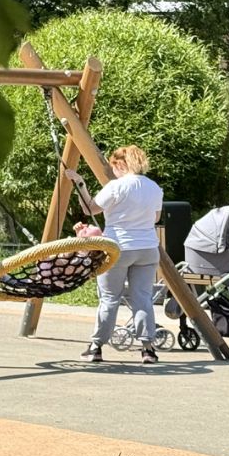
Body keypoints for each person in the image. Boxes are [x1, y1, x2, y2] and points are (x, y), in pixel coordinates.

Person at [64, 145, 164, 365]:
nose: (113, 171)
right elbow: (155, 218)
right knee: (143, 298)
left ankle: (96, 347)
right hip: (148, 249)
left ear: (120, 164)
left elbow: (90, 209)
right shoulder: (154, 187)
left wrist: (80, 183)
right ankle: (148, 349)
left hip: (118, 248)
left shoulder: (116, 186)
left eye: (113, 167)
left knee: (109, 298)